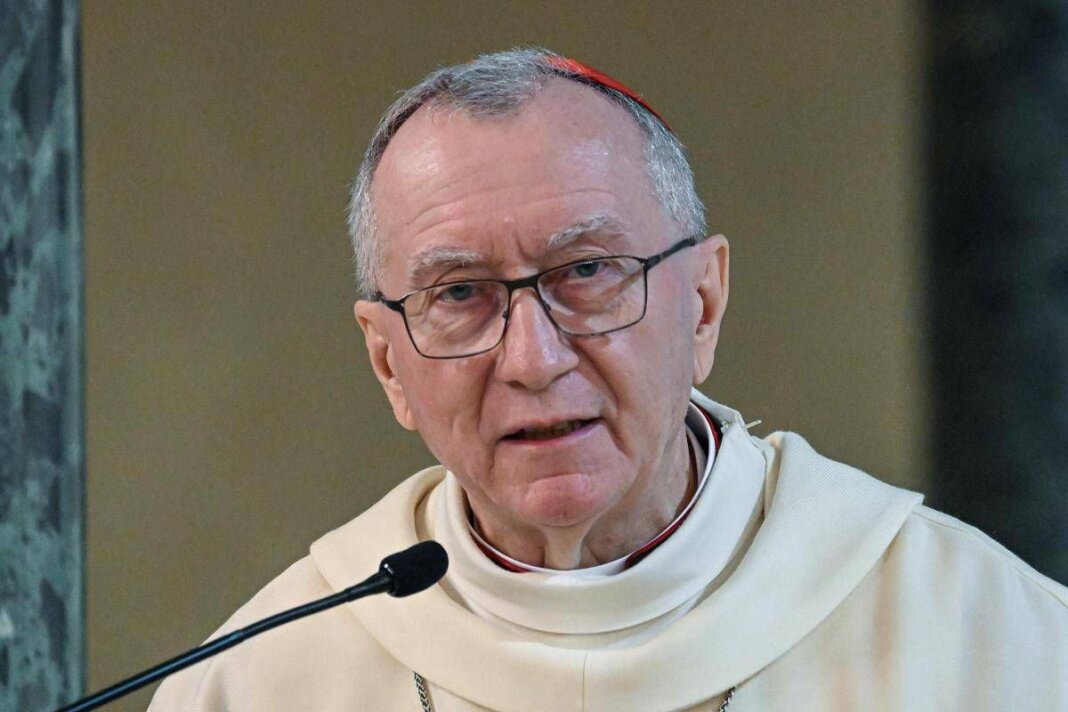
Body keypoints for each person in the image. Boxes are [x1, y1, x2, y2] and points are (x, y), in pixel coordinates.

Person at [148, 48, 1068, 711]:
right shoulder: (260, 682)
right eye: (460, 293)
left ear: (702, 304)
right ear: (388, 361)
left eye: (587, 271)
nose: (532, 359)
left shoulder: (991, 642)